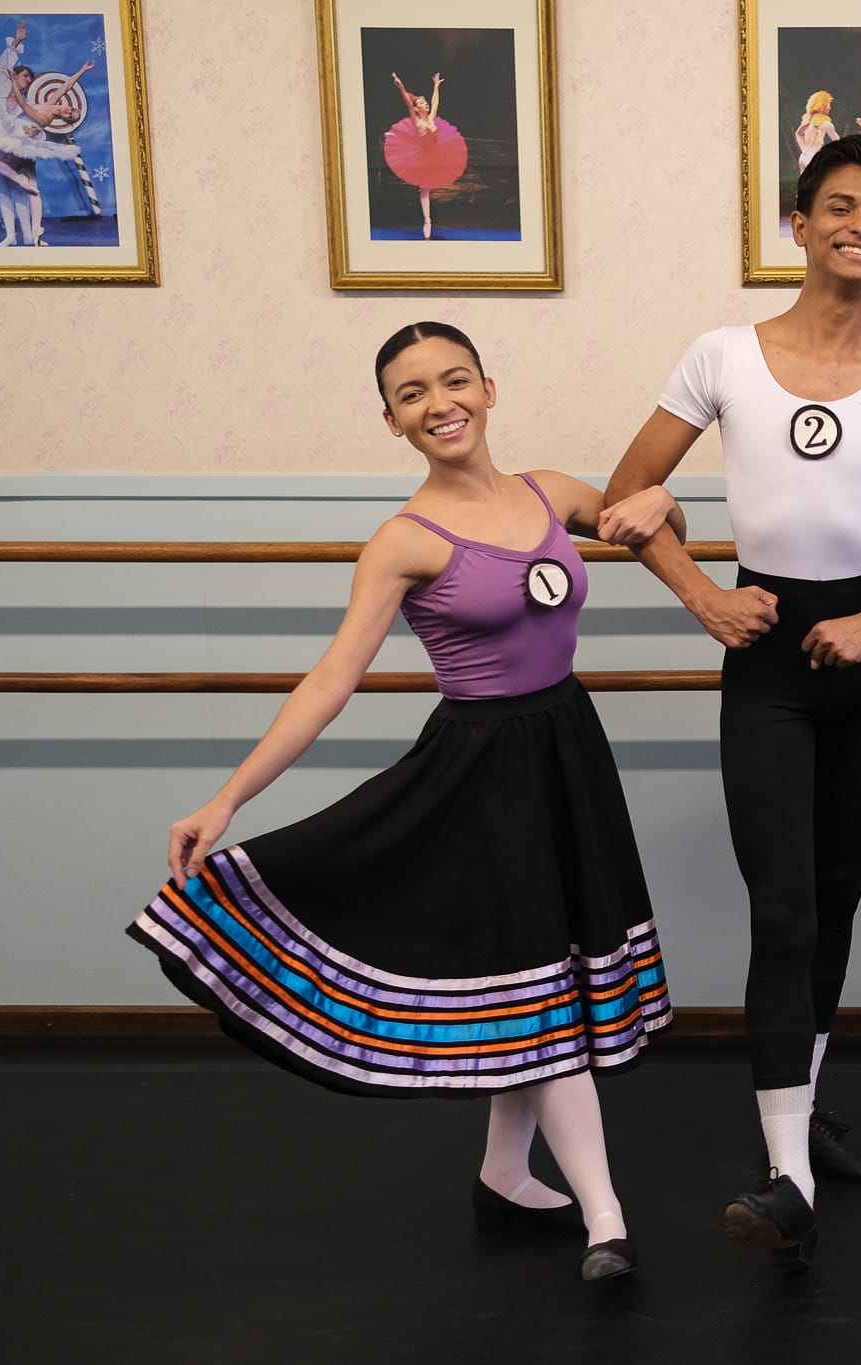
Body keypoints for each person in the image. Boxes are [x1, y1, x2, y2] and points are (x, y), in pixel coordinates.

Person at [128, 323, 682, 1281]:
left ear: (489, 388)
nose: (440, 404)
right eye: (412, 394)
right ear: (392, 422)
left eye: (454, 380)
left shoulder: (552, 492)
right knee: (536, 982)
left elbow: (644, 521)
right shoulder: (403, 541)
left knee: (536, 976)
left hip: (568, 750)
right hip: (480, 775)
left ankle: (504, 1174)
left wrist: (664, 498)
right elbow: (331, 680)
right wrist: (228, 798)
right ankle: (607, 1218)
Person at [604, 134, 861, 1269]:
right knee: (783, 908)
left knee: (836, 896)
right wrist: (703, 595)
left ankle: (802, 1118)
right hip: (768, 665)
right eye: (841, 206)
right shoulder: (721, 357)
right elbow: (625, 496)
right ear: (798, 224)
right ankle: (785, 1170)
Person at [0, 20, 91, 246]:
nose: (28, 81)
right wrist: (82, 70)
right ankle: (18, 235)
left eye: (70, 114)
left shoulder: (32, 108)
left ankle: (31, 234)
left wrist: (35, 129)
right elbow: (65, 87)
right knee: (7, 189)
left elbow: (26, 110)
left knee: (24, 188)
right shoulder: (2, 93)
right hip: (3, 141)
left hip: (19, 143)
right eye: (24, 76)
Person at [386, 72, 468, 239]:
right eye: (422, 103)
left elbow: (435, 102)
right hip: (422, 157)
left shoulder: (431, 119)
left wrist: (436, 86)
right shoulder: (417, 121)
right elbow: (408, 102)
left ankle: (428, 219)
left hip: (437, 154)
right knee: (425, 189)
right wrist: (400, 86)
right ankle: (427, 220)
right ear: (417, 108)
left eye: (425, 102)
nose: (426, 104)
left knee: (430, 185)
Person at [795, 91, 841, 171]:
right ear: (822, 105)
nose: (829, 108)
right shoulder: (826, 124)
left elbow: (798, 134)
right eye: (828, 105)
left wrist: (804, 149)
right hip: (815, 158)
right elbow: (839, 142)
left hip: (804, 157)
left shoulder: (807, 121)